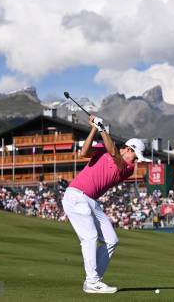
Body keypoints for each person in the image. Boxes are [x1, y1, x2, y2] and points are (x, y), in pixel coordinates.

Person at [62, 115, 150, 294]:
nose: (136, 161)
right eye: (135, 156)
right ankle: (92, 282)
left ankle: (93, 280)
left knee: (112, 240)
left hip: (91, 201)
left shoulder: (127, 167)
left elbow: (114, 154)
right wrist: (94, 128)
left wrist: (102, 129)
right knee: (90, 237)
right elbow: (84, 153)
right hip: (76, 195)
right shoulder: (105, 148)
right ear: (128, 149)